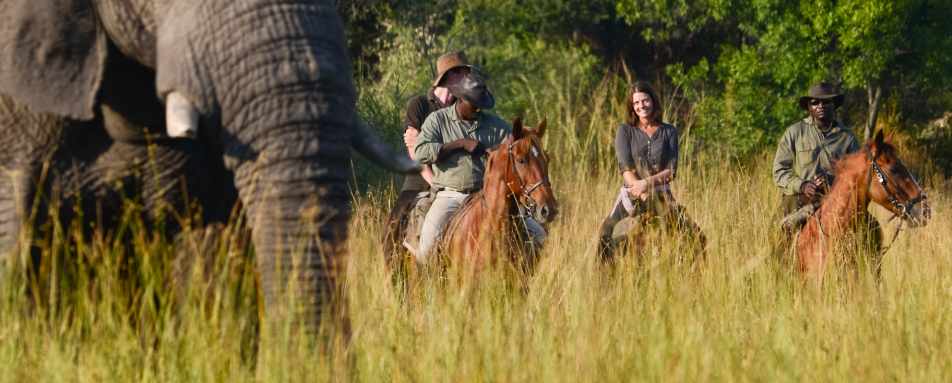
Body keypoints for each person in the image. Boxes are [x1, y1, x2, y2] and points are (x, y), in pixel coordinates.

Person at [411, 70, 546, 264]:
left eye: (480, 106)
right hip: (451, 195)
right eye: (474, 105)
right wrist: (460, 144)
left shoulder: (495, 125)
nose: (478, 110)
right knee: (426, 249)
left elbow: (516, 145)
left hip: (487, 195)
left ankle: (528, 278)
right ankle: (431, 281)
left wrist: (520, 142)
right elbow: (420, 152)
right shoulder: (438, 120)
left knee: (539, 235)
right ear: (461, 99)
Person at [596, 81, 704, 261]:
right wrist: (641, 191)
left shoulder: (669, 131)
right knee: (605, 232)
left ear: (653, 101)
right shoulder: (625, 131)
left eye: (645, 100)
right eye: (636, 103)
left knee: (696, 235)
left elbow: (671, 170)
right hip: (631, 195)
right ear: (632, 107)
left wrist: (647, 184)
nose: (641, 106)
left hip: (661, 194)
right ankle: (602, 271)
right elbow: (625, 167)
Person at [382, 51, 472, 263]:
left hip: (455, 178)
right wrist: (434, 181)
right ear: (448, 76)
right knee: (392, 230)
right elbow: (414, 148)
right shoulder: (420, 104)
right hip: (420, 179)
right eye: (462, 73)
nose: (467, 78)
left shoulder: (463, 107)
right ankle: (393, 274)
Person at [772, 82, 860, 232]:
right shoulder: (794, 132)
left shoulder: (847, 137)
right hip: (799, 199)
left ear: (834, 105)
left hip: (836, 198)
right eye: (815, 103)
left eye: (826, 102)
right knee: (780, 231)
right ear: (809, 107)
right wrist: (802, 185)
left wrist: (832, 181)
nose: (821, 106)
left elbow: (858, 173)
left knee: (867, 228)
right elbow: (779, 171)